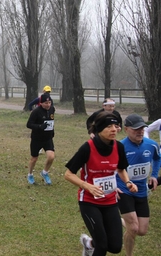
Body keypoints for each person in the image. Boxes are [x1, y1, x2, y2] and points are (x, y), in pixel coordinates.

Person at [64, 111, 138, 256]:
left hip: (110, 200)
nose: (113, 129)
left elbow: (121, 169)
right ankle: (94, 245)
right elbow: (68, 174)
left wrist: (128, 182)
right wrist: (87, 186)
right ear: (99, 129)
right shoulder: (87, 148)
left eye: (115, 126)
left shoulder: (119, 147)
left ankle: (88, 243)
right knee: (102, 245)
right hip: (89, 201)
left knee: (115, 247)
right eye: (108, 126)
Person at [117, 114, 160, 256]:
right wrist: (114, 187)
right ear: (126, 129)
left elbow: (157, 158)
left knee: (142, 230)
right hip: (124, 190)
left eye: (142, 128)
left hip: (141, 191)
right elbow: (111, 168)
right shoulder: (120, 147)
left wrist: (154, 175)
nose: (140, 131)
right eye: (136, 129)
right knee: (134, 228)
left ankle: (118, 220)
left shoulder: (151, 144)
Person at [26, 93, 55, 185]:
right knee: (34, 158)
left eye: (49, 102)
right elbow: (29, 124)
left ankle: (45, 172)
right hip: (36, 139)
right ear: (41, 103)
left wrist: (52, 132)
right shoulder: (36, 111)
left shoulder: (52, 109)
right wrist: (39, 126)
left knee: (51, 157)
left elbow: (51, 121)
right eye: (46, 103)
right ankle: (30, 174)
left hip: (48, 138)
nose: (48, 104)